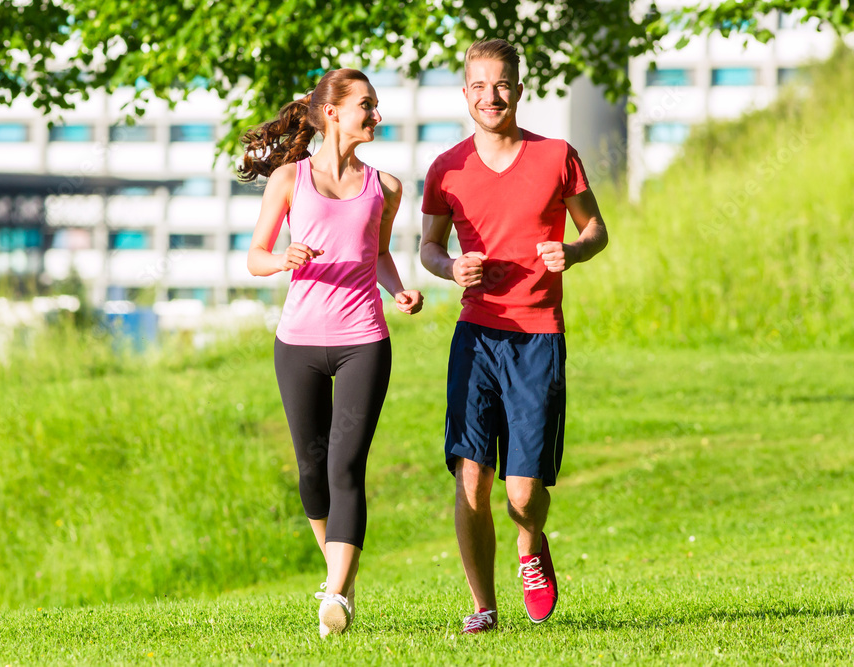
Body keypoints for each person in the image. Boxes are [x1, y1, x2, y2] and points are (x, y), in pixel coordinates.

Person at [419, 39, 609, 634]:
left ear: (519, 90)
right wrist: (450, 268)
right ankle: (483, 606)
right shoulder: (446, 168)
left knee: (523, 493)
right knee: (470, 475)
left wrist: (572, 252)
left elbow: (597, 229)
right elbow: (428, 247)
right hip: (475, 335)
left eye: (501, 84)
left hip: (538, 337)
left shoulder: (557, 155)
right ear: (466, 94)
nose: (490, 96)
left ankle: (531, 546)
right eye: (478, 85)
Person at [242, 68, 423, 638]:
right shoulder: (290, 179)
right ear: (332, 113)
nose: (376, 115)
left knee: (346, 465)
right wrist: (284, 259)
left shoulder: (386, 187)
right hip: (297, 344)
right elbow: (256, 255)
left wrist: (399, 290)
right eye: (366, 106)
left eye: (375, 106)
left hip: (363, 342)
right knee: (311, 471)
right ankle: (338, 573)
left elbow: (380, 254)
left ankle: (338, 594)